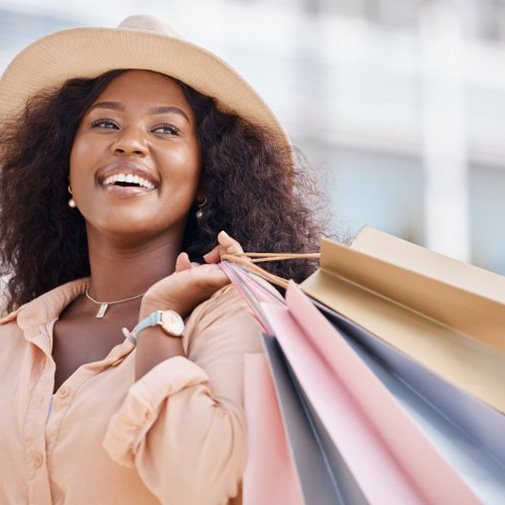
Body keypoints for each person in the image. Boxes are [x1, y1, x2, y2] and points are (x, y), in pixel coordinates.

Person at [0, 15, 324, 505]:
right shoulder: (15, 333)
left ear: (205, 178)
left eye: (166, 129)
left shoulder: (231, 318)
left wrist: (159, 318)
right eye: (105, 122)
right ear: (63, 167)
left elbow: (200, 483)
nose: (129, 142)